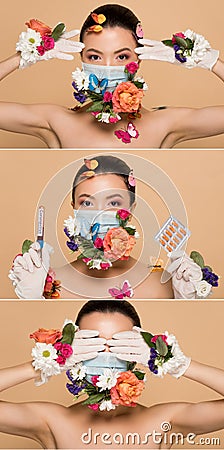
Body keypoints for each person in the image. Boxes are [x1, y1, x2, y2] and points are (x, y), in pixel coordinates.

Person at [1, 300, 224, 449]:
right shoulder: (51, 421)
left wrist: (176, 364)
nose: (105, 354)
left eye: (117, 344)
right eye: (93, 344)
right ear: (74, 348)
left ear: (137, 352)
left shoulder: (164, 421)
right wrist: (45, 363)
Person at [1, 4, 224, 149]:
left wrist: (210, 62)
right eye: (95, 57)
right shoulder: (56, 122)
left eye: (121, 56)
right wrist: (22, 58)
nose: (108, 68)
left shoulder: (165, 124)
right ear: (82, 59)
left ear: (138, 61)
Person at [9, 155, 175, 299]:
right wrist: (31, 300)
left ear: (130, 211)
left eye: (113, 203)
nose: (99, 213)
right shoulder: (48, 284)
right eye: (87, 203)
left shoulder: (162, 284)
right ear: (74, 208)